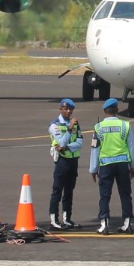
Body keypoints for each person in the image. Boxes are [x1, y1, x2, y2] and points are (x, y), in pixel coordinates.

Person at [89, 98, 134, 234]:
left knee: (105, 195)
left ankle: (104, 224)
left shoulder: (98, 128)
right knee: (125, 194)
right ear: (117, 110)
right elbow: (131, 147)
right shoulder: (125, 126)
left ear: (105, 111)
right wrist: (133, 166)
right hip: (122, 164)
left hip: (106, 164)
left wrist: (93, 169)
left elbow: (95, 149)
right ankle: (127, 223)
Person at [47, 98, 83, 230]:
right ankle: (53, 220)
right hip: (62, 161)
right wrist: (69, 130)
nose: (68, 111)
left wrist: (67, 148)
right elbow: (60, 142)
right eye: (66, 109)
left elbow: (79, 143)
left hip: (73, 160)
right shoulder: (54, 125)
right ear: (60, 109)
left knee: (69, 191)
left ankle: (67, 218)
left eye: (70, 109)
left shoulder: (75, 124)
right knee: (57, 190)